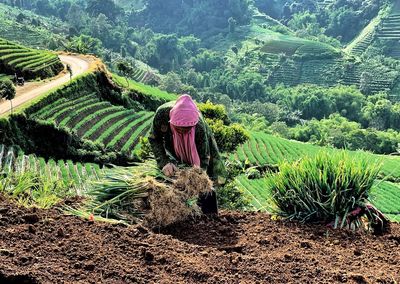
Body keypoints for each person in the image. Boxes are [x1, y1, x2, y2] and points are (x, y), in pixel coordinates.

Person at [149, 94, 226, 214]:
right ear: (171, 121)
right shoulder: (162, 115)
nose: (182, 132)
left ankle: (209, 218)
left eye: (187, 130)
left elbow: (204, 156)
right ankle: (177, 214)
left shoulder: (199, 127)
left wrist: (197, 178)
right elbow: (154, 138)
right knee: (170, 177)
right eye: (179, 129)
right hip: (172, 146)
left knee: (204, 185)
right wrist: (164, 162)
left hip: (195, 151)